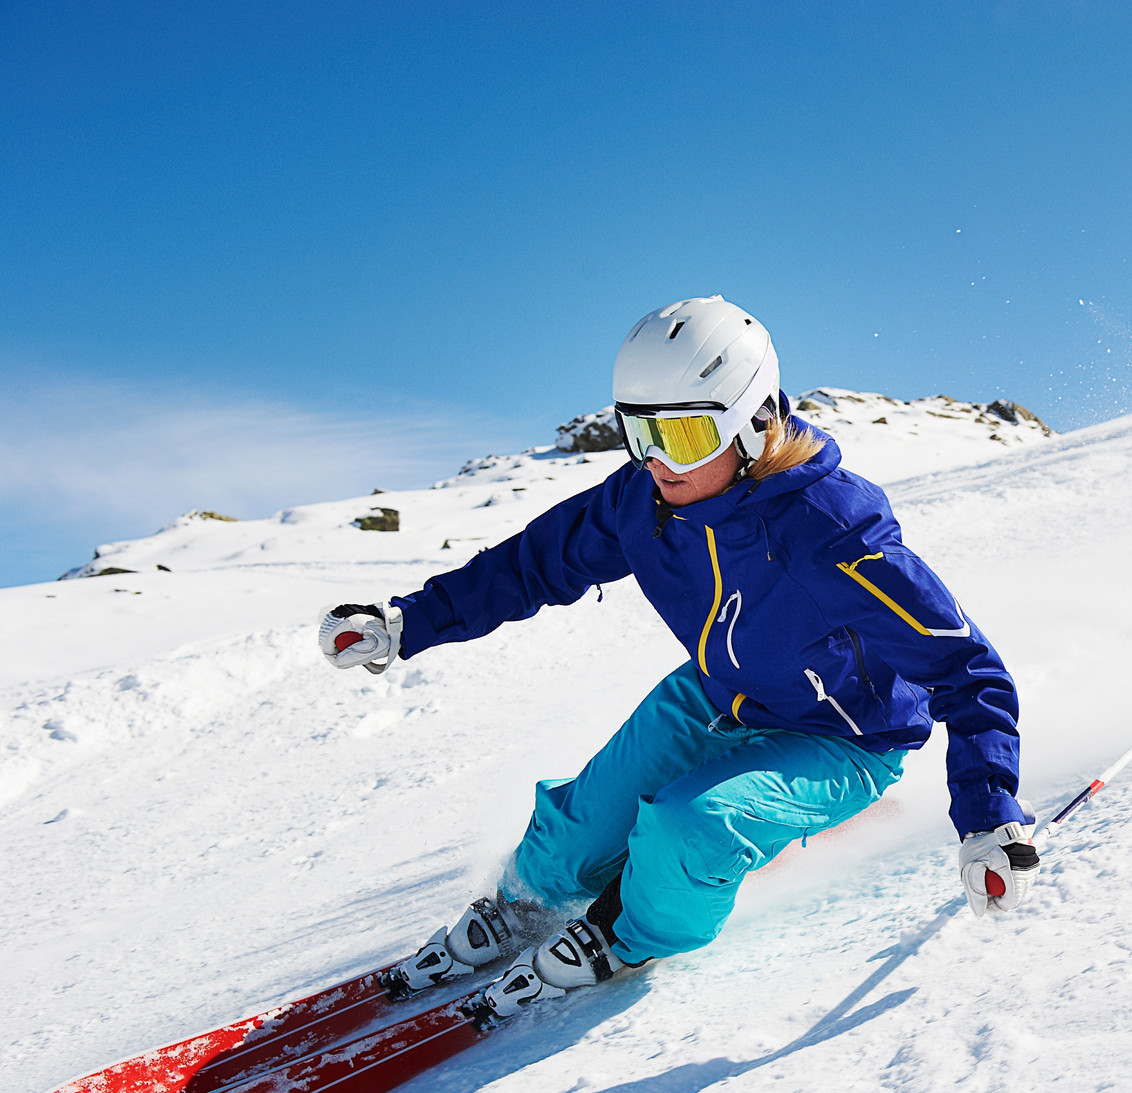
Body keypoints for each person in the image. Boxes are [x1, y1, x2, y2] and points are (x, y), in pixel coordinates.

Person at [316, 296, 1037, 1023]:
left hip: (844, 736)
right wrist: (408, 622)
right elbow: (534, 564)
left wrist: (987, 817)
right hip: (716, 694)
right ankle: (523, 907)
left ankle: (626, 938)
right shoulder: (645, 500)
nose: (660, 461)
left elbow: (963, 666)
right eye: (640, 432)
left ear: (754, 422)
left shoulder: (831, 526)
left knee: (687, 830)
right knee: (567, 844)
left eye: (687, 435)